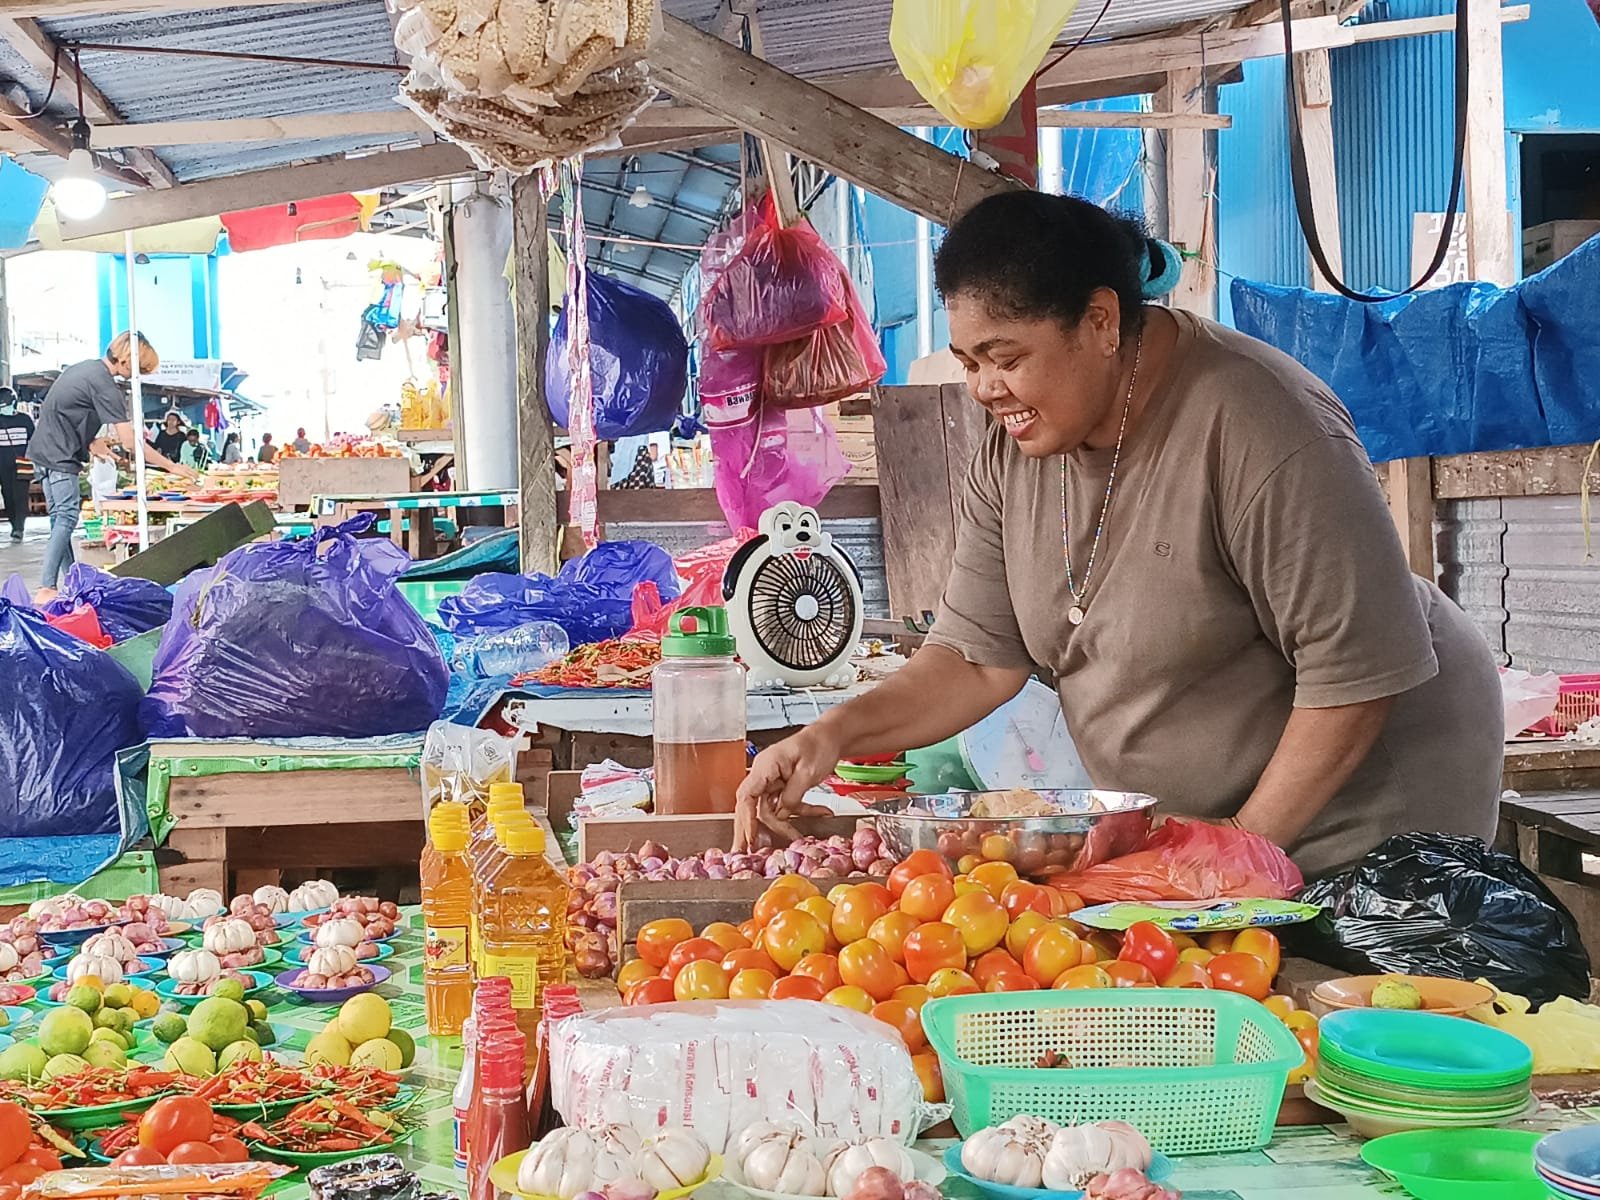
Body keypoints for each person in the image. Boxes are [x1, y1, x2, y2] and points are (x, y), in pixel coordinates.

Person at [734, 192, 1503, 880]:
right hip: (1204, 832)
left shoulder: (1264, 428)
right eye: (970, 363)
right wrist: (829, 736)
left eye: (1005, 359)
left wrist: (1239, 852)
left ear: (1101, 322)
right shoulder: (1013, 451)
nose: (984, 389)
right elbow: (973, 660)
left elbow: (1355, 679)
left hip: (1363, 818)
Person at [27, 331, 198, 588]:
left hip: (44, 451)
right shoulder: (104, 383)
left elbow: (65, 411)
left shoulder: (85, 369)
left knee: (59, 520)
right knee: (66, 517)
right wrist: (171, 466)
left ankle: (74, 583)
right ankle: (47, 587)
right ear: (127, 360)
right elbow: (130, 441)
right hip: (59, 455)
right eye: (140, 368)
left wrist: (90, 442)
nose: (138, 374)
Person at [0, 387, 34, 541]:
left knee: (21, 496)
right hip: (2, 466)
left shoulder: (25, 419)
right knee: (8, 496)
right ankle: (14, 523)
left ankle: (19, 527)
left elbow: (33, 441)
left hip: (22, 464)